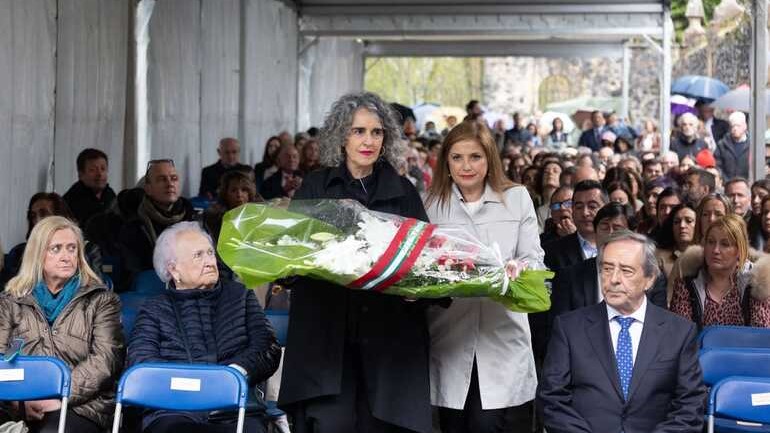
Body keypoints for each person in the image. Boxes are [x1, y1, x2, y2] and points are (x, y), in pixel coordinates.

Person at [278, 92, 434, 433]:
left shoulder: (404, 191)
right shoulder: (315, 187)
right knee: (332, 424)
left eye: (376, 132)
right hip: (327, 339)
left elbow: (425, 261)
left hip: (389, 339)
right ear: (341, 136)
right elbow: (292, 256)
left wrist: (417, 291)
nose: (368, 140)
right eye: (358, 131)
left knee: (382, 425)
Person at [424, 120, 540, 433]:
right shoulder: (430, 205)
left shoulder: (516, 198)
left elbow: (535, 260)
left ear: (489, 159)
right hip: (449, 337)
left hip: (503, 338)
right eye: (457, 157)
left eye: (475, 156)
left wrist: (520, 269)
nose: (466, 166)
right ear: (445, 161)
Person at [538, 230, 707, 433]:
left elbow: (690, 406)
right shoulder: (569, 329)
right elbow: (551, 399)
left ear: (650, 279)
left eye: (626, 271)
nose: (614, 279)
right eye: (607, 269)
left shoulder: (679, 333)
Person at [127, 222, 281, 433]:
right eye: (198, 255)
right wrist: (192, 386)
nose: (210, 261)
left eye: (210, 253)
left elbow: (267, 347)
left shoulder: (240, 296)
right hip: (173, 410)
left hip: (234, 408)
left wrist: (234, 373)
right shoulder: (154, 309)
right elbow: (142, 362)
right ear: (174, 269)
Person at [0, 216, 123, 433]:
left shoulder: (101, 300)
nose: (66, 257)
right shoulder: (10, 300)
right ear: (37, 254)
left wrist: (60, 394)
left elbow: (105, 361)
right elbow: (1, 357)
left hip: (82, 405)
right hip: (19, 402)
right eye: (55, 249)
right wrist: (18, 400)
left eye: (71, 249)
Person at [550, 204, 667, 326]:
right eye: (605, 227)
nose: (610, 234)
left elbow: (658, 326)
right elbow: (562, 325)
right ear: (595, 233)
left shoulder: (651, 277)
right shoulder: (570, 276)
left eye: (617, 228)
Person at [670, 215, 770, 330]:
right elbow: (680, 334)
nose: (715, 250)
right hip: (699, 348)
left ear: (739, 250)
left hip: (744, 347)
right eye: (711, 242)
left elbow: (761, 336)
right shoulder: (686, 285)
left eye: (725, 244)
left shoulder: (755, 284)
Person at [118, 159, 194, 290]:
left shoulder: (194, 220)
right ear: (148, 189)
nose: (170, 184)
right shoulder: (134, 227)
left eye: (174, 178)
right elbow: (134, 273)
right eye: (162, 179)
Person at [1, 193, 103, 287]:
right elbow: (13, 290)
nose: (37, 220)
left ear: (60, 216)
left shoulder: (88, 250)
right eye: (33, 216)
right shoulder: (20, 252)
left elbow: (95, 290)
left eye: (43, 213)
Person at [543, 180, 608, 272]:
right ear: (573, 210)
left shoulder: (622, 247)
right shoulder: (551, 252)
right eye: (579, 207)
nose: (585, 213)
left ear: (606, 208)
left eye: (592, 206)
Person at [202, 170, 263, 244]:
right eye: (234, 190)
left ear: (249, 193)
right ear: (225, 194)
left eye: (244, 190)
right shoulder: (216, 218)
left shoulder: (260, 212)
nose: (239, 195)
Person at [655, 202, 698, 303]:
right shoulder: (659, 256)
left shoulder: (708, 255)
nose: (682, 226)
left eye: (689, 221)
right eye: (677, 222)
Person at [62, 148, 116, 227]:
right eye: (93, 170)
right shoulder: (72, 199)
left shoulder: (109, 193)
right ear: (81, 174)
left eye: (103, 169)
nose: (99, 174)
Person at [714, 112, 750, 180]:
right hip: (727, 185)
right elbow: (717, 165)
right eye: (732, 126)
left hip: (747, 184)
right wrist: (726, 181)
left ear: (745, 126)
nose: (735, 129)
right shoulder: (722, 145)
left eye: (738, 126)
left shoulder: (752, 145)